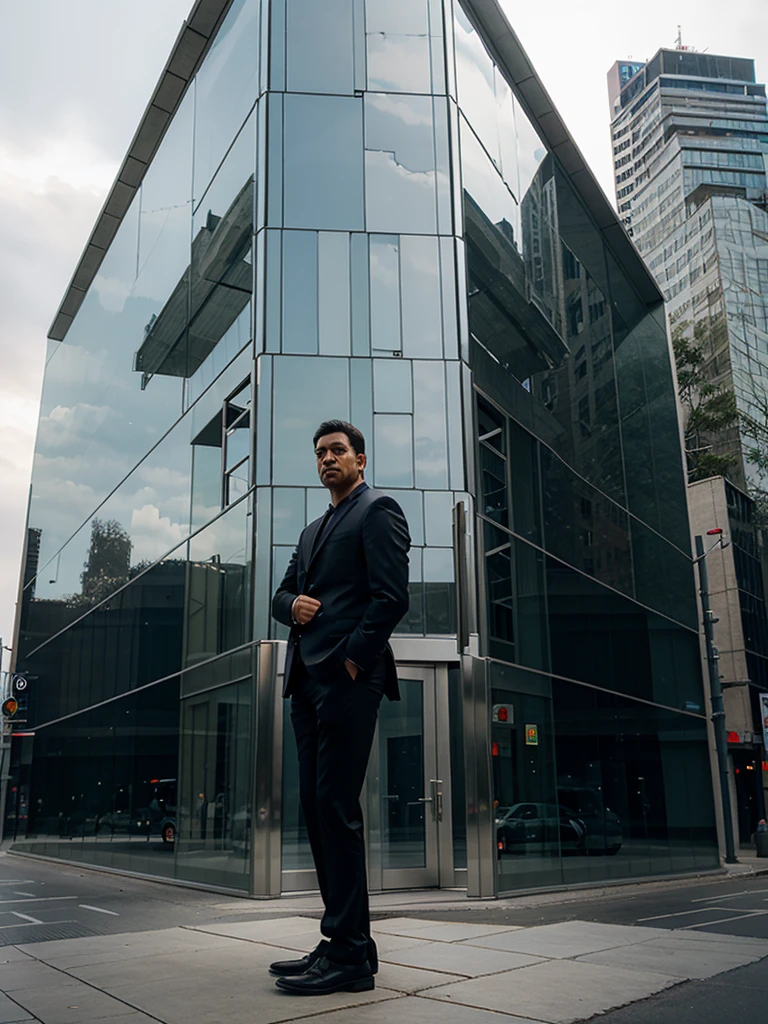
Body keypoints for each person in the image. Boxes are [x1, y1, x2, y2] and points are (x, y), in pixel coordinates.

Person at [270, 420, 410, 996]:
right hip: (305, 684)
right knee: (317, 808)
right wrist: (292, 607)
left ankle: (350, 956)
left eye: (337, 450)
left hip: (349, 680)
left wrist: (353, 661)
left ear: (360, 459)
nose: (327, 458)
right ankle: (345, 941)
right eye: (320, 452)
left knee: (336, 808)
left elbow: (391, 597)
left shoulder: (377, 511)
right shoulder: (310, 531)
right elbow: (279, 595)